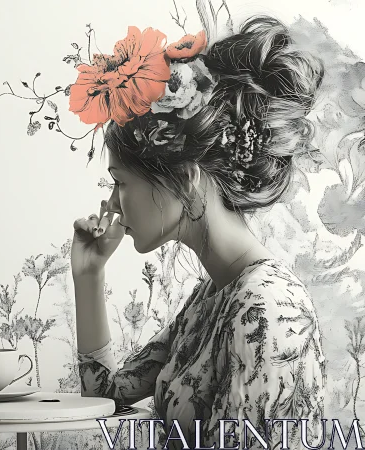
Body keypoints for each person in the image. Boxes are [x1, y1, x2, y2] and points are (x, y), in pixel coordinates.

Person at [71, 15, 327, 450]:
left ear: (185, 180)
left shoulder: (265, 306)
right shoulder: (214, 295)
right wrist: (88, 277)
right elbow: (106, 397)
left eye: (121, 183)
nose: (112, 204)